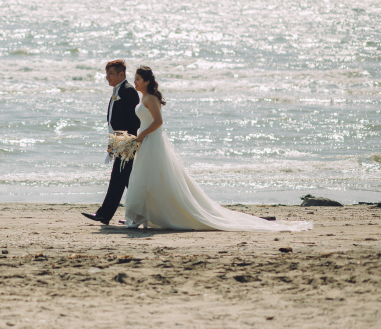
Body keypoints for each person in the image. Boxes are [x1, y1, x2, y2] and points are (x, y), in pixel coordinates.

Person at [124, 66, 311, 231]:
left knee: (153, 178)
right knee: (143, 177)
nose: (135, 82)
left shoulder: (150, 98)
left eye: (138, 79)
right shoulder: (143, 99)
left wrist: (142, 134)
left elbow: (159, 122)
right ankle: (141, 215)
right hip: (146, 140)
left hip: (152, 140)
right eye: (135, 79)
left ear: (147, 81)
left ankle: (148, 215)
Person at [81, 60, 141, 226]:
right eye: (106, 74)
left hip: (127, 143)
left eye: (110, 74)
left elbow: (134, 121)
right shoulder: (119, 89)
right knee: (127, 181)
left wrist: (129, 142)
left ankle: (105, 214)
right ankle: (139, 214)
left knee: (118, 179)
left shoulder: (128, 91)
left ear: (121, 74)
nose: (107, 77)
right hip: (119, 142)